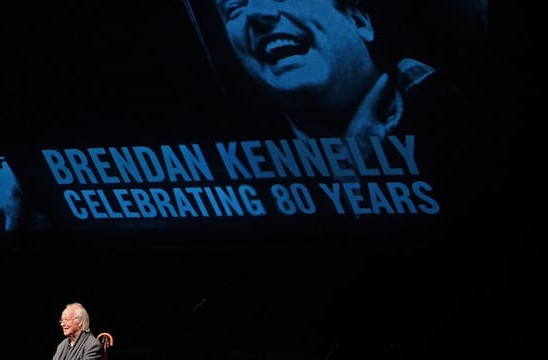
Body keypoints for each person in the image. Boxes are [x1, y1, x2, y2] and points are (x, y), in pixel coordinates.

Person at [209, 0, 490, 222]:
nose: (257, 12)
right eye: (234, 8)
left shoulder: (472, 116)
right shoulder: (226, 178)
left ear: (358, 20)